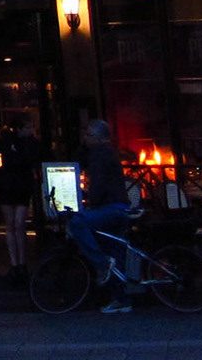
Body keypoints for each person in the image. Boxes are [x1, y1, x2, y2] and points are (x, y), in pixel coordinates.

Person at [67, 120, 133, 314]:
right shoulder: (106, 152)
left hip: (111, 208)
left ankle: (102, 264)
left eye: (87, 135)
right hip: (118, 206)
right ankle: (121, 298)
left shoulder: (99, 154)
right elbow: (79, 160)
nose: (85, 138)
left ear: (96, 138)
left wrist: (90, 204)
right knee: (113, 250)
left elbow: (98, 183)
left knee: (77, 222)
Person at [0, 111, 41, 287]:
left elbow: (28, 159)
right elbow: (19, 160)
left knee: (19, 223)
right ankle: (15, 262)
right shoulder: (9, 140)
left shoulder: (30, 143)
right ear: (20, 128)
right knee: (12, 225)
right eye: (28, 127)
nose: (31, 130)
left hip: (19, 185)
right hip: (10, 185)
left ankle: (21, 262)